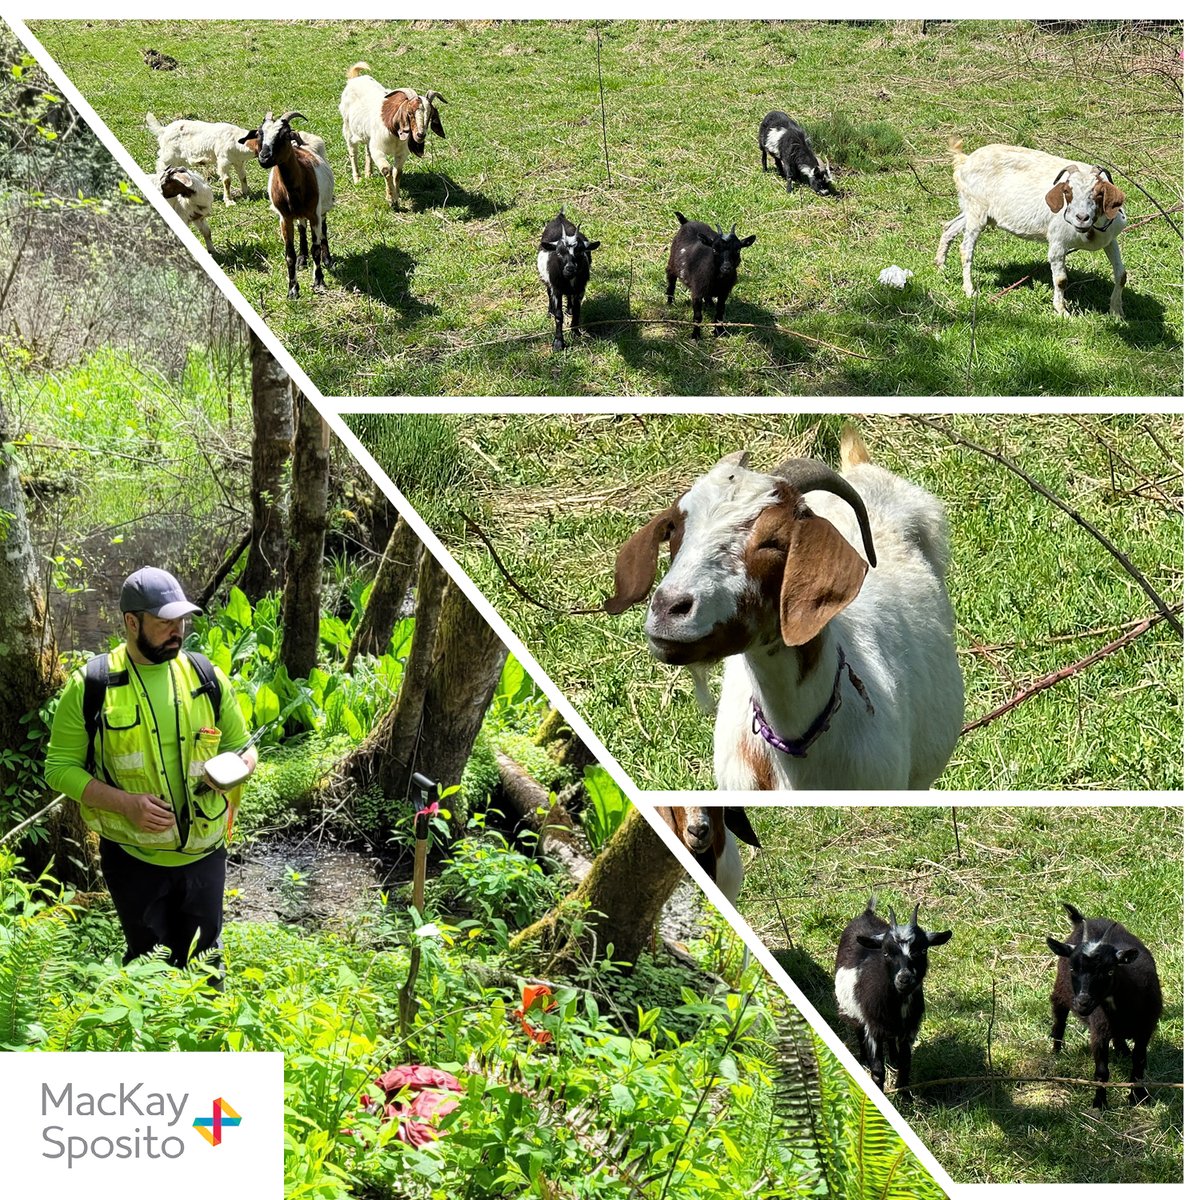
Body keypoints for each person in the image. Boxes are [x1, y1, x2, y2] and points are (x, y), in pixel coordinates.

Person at [45, 566, 256, 976]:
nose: (178, 630)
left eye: (182, 620)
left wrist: (238, 768)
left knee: (207, 962)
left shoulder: (205, 675)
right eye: (165, 623)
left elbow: (245, 748)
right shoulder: (93, 684)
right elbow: (59, 769)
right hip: (134, 859)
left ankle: (208, 1038)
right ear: (131, 622)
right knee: (148, 967)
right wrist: (124, 804)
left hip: (205, 854)